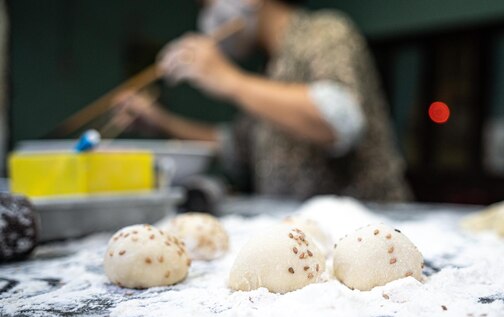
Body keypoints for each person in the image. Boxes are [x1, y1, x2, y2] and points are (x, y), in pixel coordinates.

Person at [116, 0, 411, 201]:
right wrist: (161, 122)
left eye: (209, 3)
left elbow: (338, 121)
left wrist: (228, 80)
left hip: (371, 228)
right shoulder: (268, 71)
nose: (207, 17)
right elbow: (236, 146)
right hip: (303, 236)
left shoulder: (325, 31)